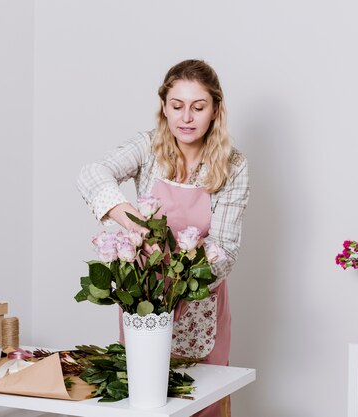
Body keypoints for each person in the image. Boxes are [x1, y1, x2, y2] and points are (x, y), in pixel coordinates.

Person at [76, 59, 249, 417]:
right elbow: (92, 174)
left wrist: (182, 288)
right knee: (145, 400)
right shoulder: (149, 149)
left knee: (202, 399)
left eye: (198, 107)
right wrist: (132, 221)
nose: (187, 118)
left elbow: (225, 249)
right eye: (177, 106)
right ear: (164, 108)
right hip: (144, 301)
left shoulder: (232, 165)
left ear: (215, 109)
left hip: (202, 300)